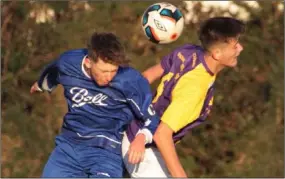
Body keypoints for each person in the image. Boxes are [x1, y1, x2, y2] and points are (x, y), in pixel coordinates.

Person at [122, 16, 246, 177]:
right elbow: (162, 135)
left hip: (137, 134)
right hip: (143, 150)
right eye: (235, 46)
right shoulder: (195, 88)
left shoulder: (188, 51)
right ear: (217, 53)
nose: (240, 48)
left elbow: (145, 77)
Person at [30, 32, 160, 178]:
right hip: (69, 146)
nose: (109, 77)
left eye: (114, 71)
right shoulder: (68, 63)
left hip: (107, 152)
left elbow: (152, 119)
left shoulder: (130, 80)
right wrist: (41, 85)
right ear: (88, 62)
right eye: (104, 71)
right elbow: (53, 72)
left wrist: (142, 137)